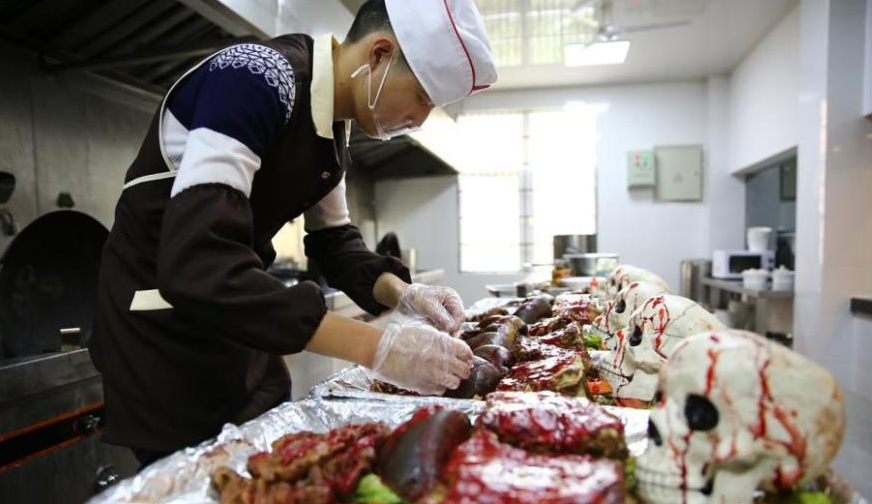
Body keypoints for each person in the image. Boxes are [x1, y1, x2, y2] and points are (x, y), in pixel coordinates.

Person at [88, 0, 497, 468]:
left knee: (270, 470)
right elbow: (199, 264)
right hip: (165, 340)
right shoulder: (254, 79)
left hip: (238, 329)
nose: (421, 119)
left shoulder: (332, 127)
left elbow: (335, 243)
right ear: (380, 55)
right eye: (423, 97)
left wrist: (405, 294)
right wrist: (378, 349)